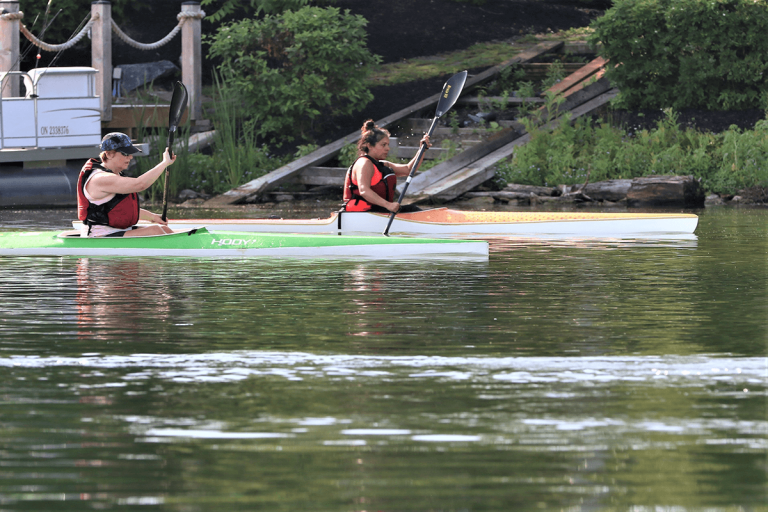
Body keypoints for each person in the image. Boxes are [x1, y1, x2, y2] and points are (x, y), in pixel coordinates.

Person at [77, 132, 176, 237]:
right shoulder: (100, 179)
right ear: (109, 154)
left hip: (115, 231)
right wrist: (165, 163)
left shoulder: (115, 175)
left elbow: (122, 210)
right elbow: (140, 184)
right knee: (155, 231)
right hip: (99, 235)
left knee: (164, 229)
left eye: (130, 153)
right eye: (125, 154)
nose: (130, 157)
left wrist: (153, 217)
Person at [342, 119, 431, 213]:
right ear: (369, 146)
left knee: (412, 209)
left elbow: (408, 170)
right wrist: (388, 205)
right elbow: (364, 191)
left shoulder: (381, 164)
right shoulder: (364, 163)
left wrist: (422, 150)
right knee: (413, 210)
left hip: (377, 212)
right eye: (383, 145)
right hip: (359, 214)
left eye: (388, 145)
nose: (387, 148)